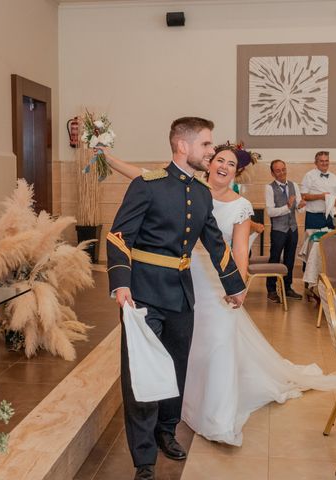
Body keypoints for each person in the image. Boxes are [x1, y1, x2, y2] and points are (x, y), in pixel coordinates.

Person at [104, 142, 336, 448]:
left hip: (216, 285)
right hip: (182, 283)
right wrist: (110, 160)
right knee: (183, 352)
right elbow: (145, 176)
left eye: (231, 164)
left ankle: (213, 415)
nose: (225, 167)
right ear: (209, 163)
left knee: (214, 349)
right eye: (220, 160)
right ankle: (177, 410)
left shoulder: (239, 206)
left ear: (236, 171)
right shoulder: (186, 188)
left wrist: (238, 286)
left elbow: (239, 250)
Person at [107, 117, 247, 480]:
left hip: (182, 296)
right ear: (183, 146)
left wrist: (234, 285)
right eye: (206, 144)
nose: (211, 151)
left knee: (176, 368)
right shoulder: (147, 185)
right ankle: (143, 459)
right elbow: (119, 236)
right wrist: (121, 284)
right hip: (143, 295)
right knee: (140, 375)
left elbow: (215, 241)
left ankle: (166, 431)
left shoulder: (201, 193)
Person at [264, 159, 306, 302]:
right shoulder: (269, 188)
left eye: (283, 169)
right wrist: (287, 207)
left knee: (290, 259)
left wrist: (301, 206)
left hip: (292, 228)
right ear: (272, 173)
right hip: (278, 230)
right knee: (274, 259)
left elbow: (299, 209)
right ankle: (271, 290)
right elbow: (270, 212)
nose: (282, 172)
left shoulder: (294, 185)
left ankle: (287, 288)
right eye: (278, 170)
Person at [300, 151, 336, 229]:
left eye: (326, 161)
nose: (324, 163)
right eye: (321, 161)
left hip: (331, 216)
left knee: (331, 240)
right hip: (314, 217)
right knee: (313, 240)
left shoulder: (334, 177)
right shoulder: (309, 176)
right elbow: (303, 196)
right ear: (315, 163)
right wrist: (320, 196)